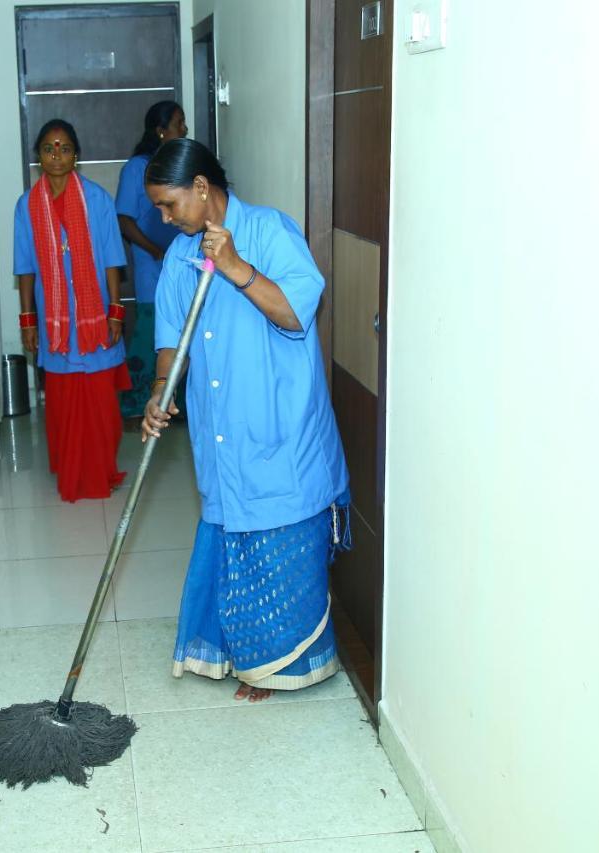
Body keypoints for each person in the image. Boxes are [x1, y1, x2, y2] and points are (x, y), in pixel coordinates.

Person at [141, 139, 351, 702]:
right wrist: (161, 390)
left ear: (203, 189)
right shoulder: (180, 256)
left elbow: (294, 311)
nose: (163, 218)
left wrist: (235, 268)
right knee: (233, 526)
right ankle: (244, 652)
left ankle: (282, 663)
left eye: (169, 205)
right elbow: (170, 340)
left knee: (280, 531)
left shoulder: (271, 231)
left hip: (280, 423)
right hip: (221, 425)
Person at [15, 119, 130, 502]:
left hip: (95, 319)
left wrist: (116, 311)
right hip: (55, 324)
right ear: (39, 157)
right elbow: (25, 268)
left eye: (64, 148)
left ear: (76, 155)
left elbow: (113, 259)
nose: (57, 155)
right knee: (63, 403)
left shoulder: (97, 199)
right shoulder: (27, 206)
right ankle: (70, 469)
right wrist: (28, 320)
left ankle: (100, 471)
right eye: (49, 148)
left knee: (101, 403)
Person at [114, 101, 187, 419]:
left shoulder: (178, 165)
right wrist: (155, 250)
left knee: (184, 335)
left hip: (182, 267)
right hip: (152, 268)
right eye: (178, 124)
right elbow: (124, 220)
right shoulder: (136, 168)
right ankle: (133, 406)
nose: (184, 130)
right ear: (160, 131)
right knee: (151, 336)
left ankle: (175, 404)